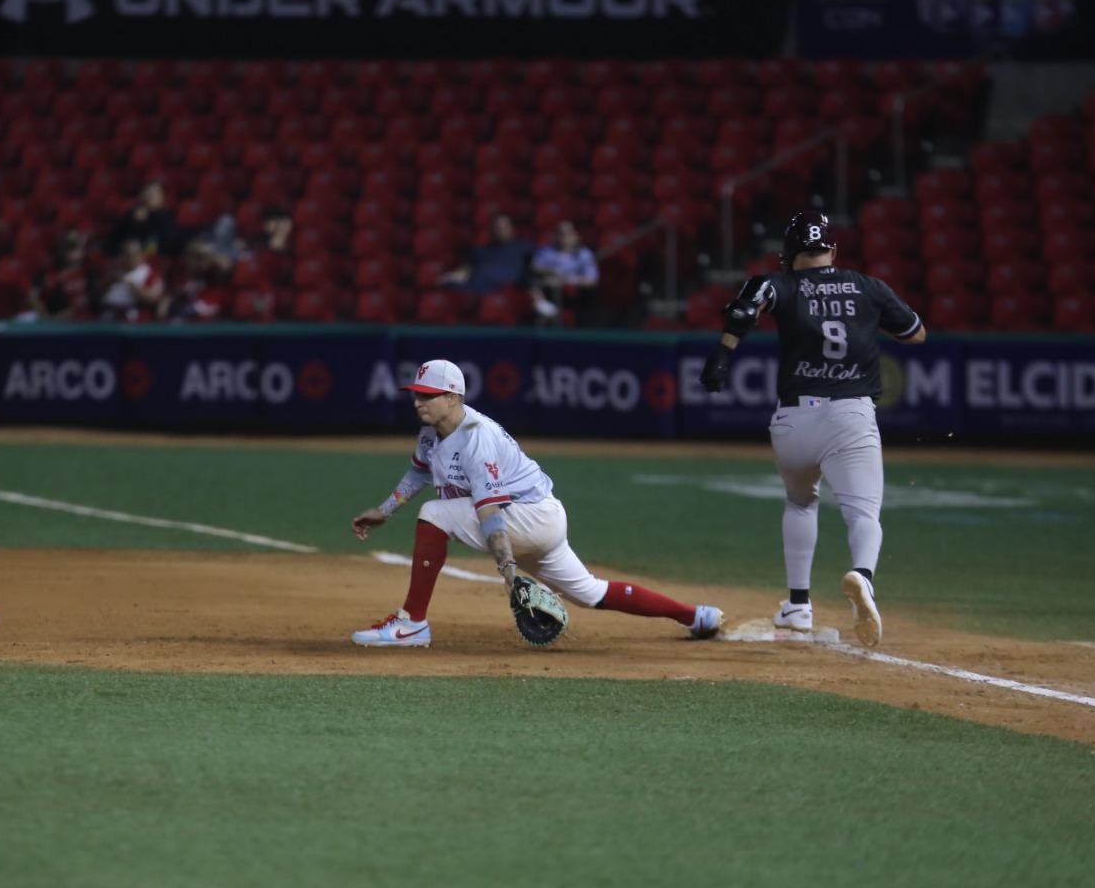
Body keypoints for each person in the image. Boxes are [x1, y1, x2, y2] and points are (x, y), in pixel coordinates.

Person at [347, 359, 725, 647]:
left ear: (452, 397)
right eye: (416, 394)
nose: (418, 402)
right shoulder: (431, 433)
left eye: (427, 395)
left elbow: (490, 513)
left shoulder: (478, 439)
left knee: (434, 513)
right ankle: (695, 616)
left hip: (530, 517)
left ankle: (412, 623)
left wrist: (509, 573)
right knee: (593, 593)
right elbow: (418, 473)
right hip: (536, 519)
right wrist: (384, 510)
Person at [698, 210, 927, 645]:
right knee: (863, 513)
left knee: (801, 502)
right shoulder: (868, 286)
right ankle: (861, 576)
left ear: (790, 252)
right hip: (851, 416)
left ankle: (799, 606)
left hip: (794, 419)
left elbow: (745, 309)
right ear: (833, 251)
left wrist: (722, 355)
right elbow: (915, 334)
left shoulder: (780, 284)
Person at [438, 212, 537, 297]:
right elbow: (465, 272)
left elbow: (540, 265)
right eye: (497, 227)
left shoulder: (524, 248)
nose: (500, 230)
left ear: (511, 229)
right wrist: (449, 277)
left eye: (504, 227)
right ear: (491, 229)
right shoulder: (480, 251)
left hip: (503, 292)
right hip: (476, 288)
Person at [530, 220, 599, 321]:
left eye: (567, 234)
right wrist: (552, 272)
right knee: (533, 284)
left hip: (574, 295)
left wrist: (567, 280)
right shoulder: (546, 251)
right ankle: (548, 312)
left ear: (575, 236)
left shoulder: (584, 254)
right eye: (560, 233)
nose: (563, 237)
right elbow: (535, 267)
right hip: (549, 291)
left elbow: (591, 281)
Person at [23, 230, 97, 321]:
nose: (78, 250)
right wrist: (46, 316)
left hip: (83, 323)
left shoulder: (88, 275)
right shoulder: (50, 275)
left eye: (78, 247)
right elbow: (33, 296)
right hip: (53, 321)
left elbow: (84, 305)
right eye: (70, 247)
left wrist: (55, 320)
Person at [109, 181, 185, 257]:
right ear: (141, 196)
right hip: (127, 255)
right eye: (148, 192)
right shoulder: (131, 214)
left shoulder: (166, 217)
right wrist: (135, 222)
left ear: (162, 198)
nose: (150, 196)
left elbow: (167, 242)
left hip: (154, 256)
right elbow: (117, 236)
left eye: (155, 193)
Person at [97, 239, 166, 321]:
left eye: (132, 254)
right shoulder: (113, 271)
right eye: (125, 254)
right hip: (107, 316)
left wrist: (129, 284)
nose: (128, 258)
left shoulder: (149, 274)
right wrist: (109, 282)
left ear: (141, 255)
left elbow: (153, 298)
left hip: (133, 319)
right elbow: (97, 296)